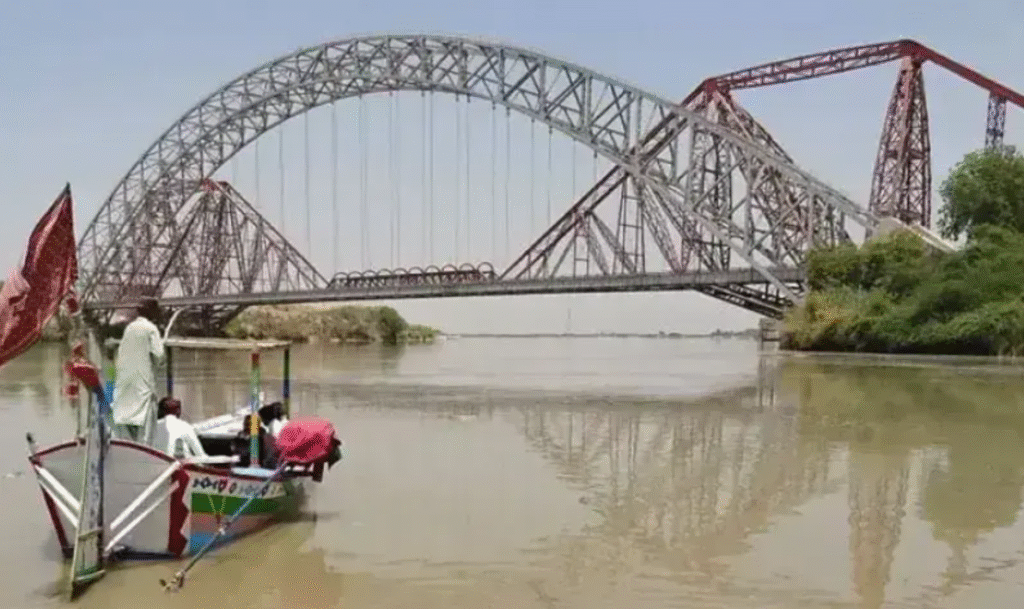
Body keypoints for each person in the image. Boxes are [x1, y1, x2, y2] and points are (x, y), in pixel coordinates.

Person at [111, 297, 164, 444]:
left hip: (125, 389)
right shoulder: (151, 329)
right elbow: (159, 355)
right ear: (152, 312)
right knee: (146, 438)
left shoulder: (129, 328)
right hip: (143, 390)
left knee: (127, 437)